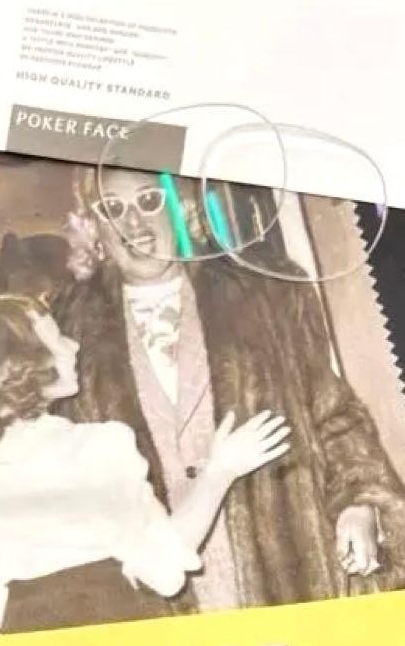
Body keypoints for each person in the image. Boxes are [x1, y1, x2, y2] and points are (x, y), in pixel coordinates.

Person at [53, 167, 405, 610]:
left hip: (291, 571)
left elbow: (332, 411)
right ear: (93, 224)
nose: (134, 222)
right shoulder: (70, 324)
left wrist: (359, 504)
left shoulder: (266, 289)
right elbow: (67, 475)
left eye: (149, 200)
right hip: (160, 603)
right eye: (112, 208)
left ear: (182, 205)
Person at [0, 296, 291, 634]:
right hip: (112, 633)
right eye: (57, 339)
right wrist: (220, 472)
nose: (73, 346)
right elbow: (164, 571)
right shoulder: (98, 448)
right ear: (20, 364)